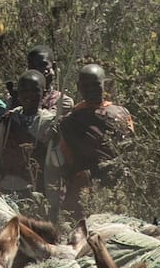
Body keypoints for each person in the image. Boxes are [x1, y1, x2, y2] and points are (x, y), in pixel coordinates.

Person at [52, 63, 135, 211]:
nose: (90, 90)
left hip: (117, 185)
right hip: (83, 189)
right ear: (78, 86)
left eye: (95, 85)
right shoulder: (70, 121)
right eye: (85, 86)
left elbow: (131, 149)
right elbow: (66, 160)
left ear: (106, 85)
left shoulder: (121, 114)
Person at [0, 72, 53, 192]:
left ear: (44, 93)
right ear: (17, 94)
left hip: (37, 188)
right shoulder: (8, 120)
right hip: (6, 185)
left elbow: (53, 165)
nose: (29, 95)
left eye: (35, 90)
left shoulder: (50, 122)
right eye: (24, 90)